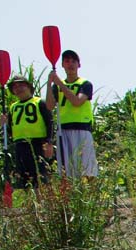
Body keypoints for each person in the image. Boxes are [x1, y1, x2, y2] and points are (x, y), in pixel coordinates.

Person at [46, 50, 98, 179]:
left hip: (82, 129)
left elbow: (77, 101)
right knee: (66, 170)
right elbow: (50, 106)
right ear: (62, 65)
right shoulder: (56, 87)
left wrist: (59, 83)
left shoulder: (85, 84)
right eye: (67, 61)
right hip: (63, 130)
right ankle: (70, 198)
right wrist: (49, 83)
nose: (70, 64)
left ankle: (91, 197)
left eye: (74, 61)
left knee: (87, 170)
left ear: (79, 65)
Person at [1, 76, 55, 191]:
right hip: (20, 145)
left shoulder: (40, 102)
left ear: (29, 87)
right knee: (25, 177)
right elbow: (11, 131)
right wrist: (4, 125)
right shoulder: (13, 107)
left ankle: (45, 203)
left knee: (40, 175)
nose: (18, 89)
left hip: (38, 144)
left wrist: (49, 143)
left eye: (21, 85)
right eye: (15, 87)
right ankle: (31, 204)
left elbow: (50, 123)